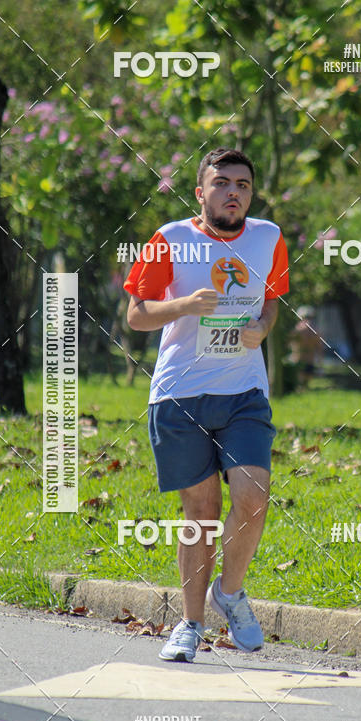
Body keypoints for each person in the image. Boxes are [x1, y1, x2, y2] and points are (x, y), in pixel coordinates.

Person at [124, 148, 289, 662]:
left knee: (253, 496)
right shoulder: (170, 240)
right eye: (222, 183)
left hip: (243, 393)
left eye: (242, 183)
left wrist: (263, 327)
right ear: (201, 192)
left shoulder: (268, 238)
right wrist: (185, 306)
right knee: (200, 514)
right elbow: (137, 315)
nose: (233, 191)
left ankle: (231, 593)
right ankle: (190, 624)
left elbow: (271, 299)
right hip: (180, 394)